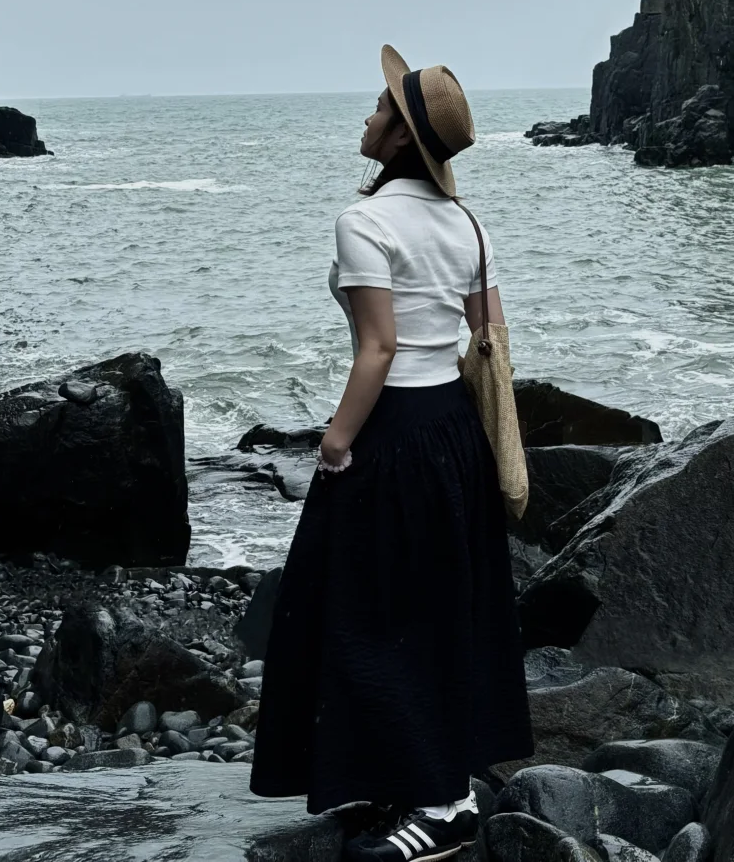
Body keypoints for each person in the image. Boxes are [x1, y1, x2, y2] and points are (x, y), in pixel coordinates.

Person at [250, 45, 532, 860]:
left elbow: (377, 348)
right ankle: (413, 775)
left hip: (395, 433)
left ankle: (444, 805)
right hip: (453, 435)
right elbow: (489, 336)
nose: (367, 116)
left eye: (380, 109)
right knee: (435, 610)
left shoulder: (364, 221)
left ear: (403, 138)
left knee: (367, 614)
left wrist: (336, 439)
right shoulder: (467, 223)